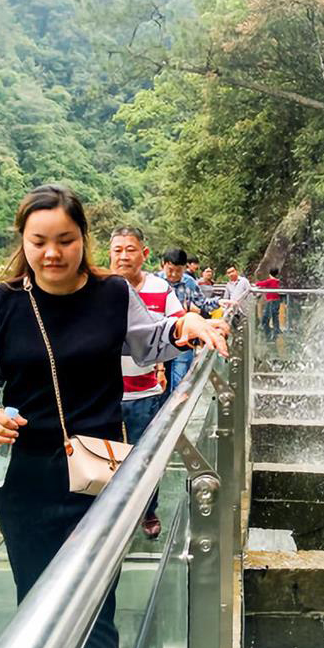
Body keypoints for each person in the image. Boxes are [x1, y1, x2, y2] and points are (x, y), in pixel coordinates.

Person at [0, 184, 228, 648]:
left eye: (65, 240)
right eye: (39, 241)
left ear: (82, 241)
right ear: (22, 241)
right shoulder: (0, 304)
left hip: (98, 480)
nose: (52, 253)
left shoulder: (112, 296)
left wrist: (189, 325)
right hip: (25, 480)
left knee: (97, 613)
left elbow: (152, 339)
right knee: (34, 605)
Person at [109, 225, 184, 539]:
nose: (123, 255)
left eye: (130, 249)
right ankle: (110, 516)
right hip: (105, 394)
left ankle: (147, 509)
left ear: (144, 253)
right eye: (117, 250)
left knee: (144, 456)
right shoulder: (99, 287)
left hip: (145, 391)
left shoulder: (160, 289)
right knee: (108, 458)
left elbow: (177, 324)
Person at [159, 248, 220, 395]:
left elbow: (202, 303)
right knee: (161, 385)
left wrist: (220, 302)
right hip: (160, 340)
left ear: (185, 268)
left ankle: (176, 413)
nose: (173, 275)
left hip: (183, 339)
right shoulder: (155, 282)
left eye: (178, 271)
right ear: (163, 265)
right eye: (170, 270)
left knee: (181, 382)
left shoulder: (189, 283)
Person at [256, 267, 282, 339]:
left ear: (270, 273)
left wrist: (255, 284)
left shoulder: (270, 281)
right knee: (275, 315)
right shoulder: (277, 281)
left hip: (271, 301)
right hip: (277, 300)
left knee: (266, 316)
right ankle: (276, 330)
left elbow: (259, 284)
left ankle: (266, 331)